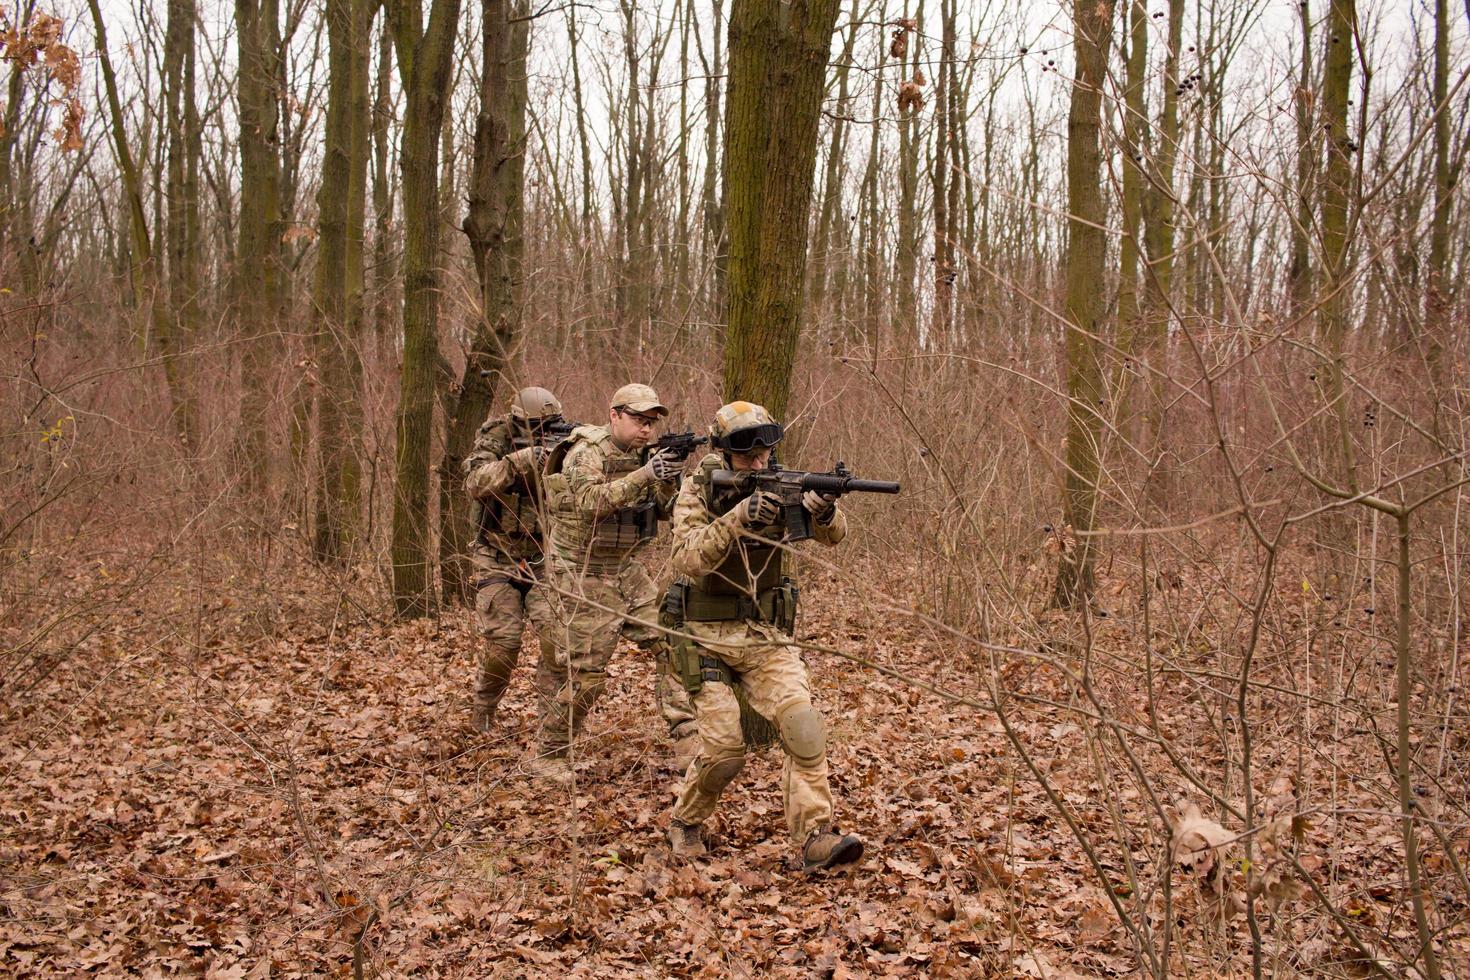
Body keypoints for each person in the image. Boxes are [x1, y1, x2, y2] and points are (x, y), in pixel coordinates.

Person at [663, 401, 864, 870]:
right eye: (745, 453)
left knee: (803, 725)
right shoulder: (698, 491)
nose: (757, 462)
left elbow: (834, 538)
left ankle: (816, 836)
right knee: (726, 751)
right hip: (702, 632)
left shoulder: (783, 483)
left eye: (763, 452)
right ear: (724, 452)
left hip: (764, 632)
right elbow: (687, 559)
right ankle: (686, 822)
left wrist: (823, 512)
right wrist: (737, 518)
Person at [527, 383, 697, 785]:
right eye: (638, 420)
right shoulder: (584, 452)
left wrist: (668, 478)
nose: (645, 430)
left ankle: (690, 744)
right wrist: (646, 473)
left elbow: (668, 509)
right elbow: (590, 503)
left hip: (627, 568)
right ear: (614, 415)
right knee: (586, 674)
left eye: (651, 422)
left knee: (675, 645)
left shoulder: (647, 456)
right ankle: (550, 755)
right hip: (581, 571)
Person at [461, 386, 564, 730]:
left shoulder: (568, 439)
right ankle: (483, 710)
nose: (547, 433)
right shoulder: (497, 437)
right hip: (496, 553)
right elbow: (475, 482)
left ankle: (552, 722)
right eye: (539, 427)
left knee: (556, 641)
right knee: (503, 645)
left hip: (544, 555)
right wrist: (519, 461)